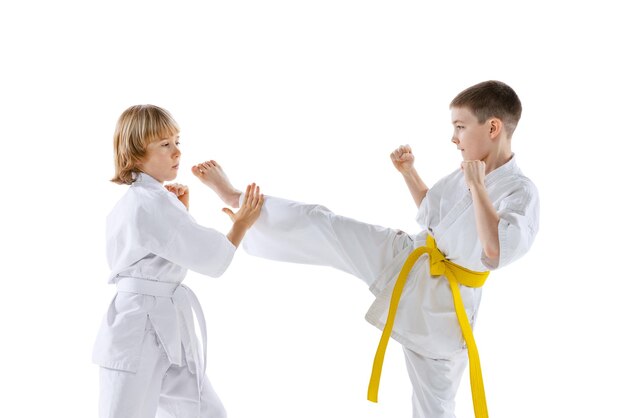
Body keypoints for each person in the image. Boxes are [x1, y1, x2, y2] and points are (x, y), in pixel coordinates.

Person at [197, 80, 539, 418]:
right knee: (324, 223)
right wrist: (409, 173)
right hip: (410, 256)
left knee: (434, 406)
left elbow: (495, 253)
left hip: (447, 305)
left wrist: (478, 187)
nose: (454, 138)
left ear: (493, 127)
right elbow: (434, 214)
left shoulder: (519, 191)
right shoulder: (465, 171)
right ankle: (238, 201)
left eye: (460, 127)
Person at [92, 104, 264, 418]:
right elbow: (212, 259)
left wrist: (180, 211)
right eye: (165, 144)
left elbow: (164, 246)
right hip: (139, 327)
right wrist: (241, 223)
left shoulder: (150, 200)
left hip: (163, 323)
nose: (177, 152)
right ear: (135, 154)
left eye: (177, 142)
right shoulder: (149, 202)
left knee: (206, 412)